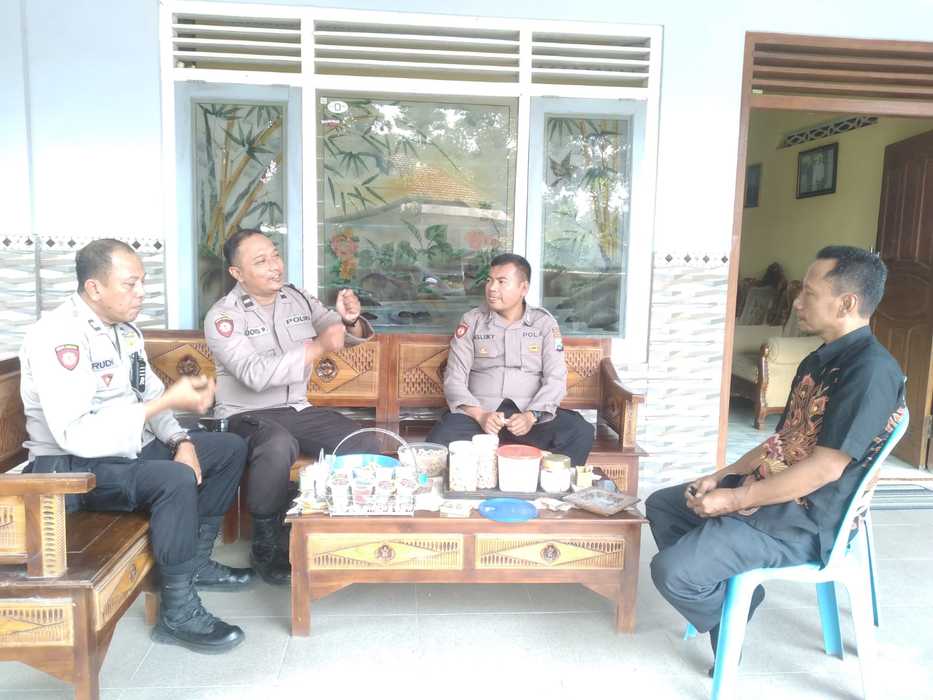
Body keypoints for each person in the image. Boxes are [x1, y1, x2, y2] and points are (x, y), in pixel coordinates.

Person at [646, 245, 905, 674]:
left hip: (804, 520)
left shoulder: (870, 372)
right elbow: (780, 444)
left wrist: (733, 500)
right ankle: (727, 598)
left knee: (673, 573)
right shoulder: (819, 359)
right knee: (664, 504)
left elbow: (825, 469)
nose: (797, 303)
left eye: (809, 293)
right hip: (773, 494)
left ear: (847, 303)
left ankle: (730, 613)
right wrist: (722, 476)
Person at [19, 239, 251, 654]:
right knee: (174, 480)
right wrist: (165, 406)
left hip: (126, 452)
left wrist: (181, 440)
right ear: (94, 288)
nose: (141, 292)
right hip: (73, 470)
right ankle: (177, 612)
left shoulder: (124, 332)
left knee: (229, 448)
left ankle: (195, 562)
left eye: (143, 282)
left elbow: (151, 395)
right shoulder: (58, 337)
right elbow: (77, 434)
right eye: (130, 284)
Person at [204, 229, 376, 585]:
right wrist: (317, 347)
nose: (274, 266)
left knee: (362, 441)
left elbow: (338, 331)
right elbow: (253, 374)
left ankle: (324, 526)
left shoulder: (297, 298)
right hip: (244, 414)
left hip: (296, 408)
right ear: (237, 273)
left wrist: (348, 320)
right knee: (277, 445)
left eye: (275, 255)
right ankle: (267, 542)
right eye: (261, 261)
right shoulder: (223, 316)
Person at [427, 253, 594, 467]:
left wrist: (531, 416)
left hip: (529, 421)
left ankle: (546, 485)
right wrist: (480, 416)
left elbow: (556, 379)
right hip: (480, 419)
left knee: (580, 431)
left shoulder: (544, 323)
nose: (492, 288)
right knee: (439, 440)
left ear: (523, 288)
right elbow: (454, 379)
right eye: (489, 280)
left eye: (501, 282)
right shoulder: (472, 321)